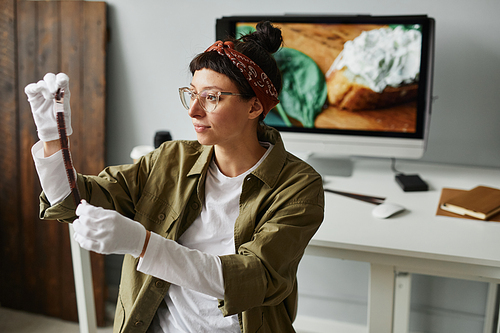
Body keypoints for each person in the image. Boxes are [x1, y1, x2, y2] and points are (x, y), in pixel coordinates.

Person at [26, 21, 324, 333]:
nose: (193, 110)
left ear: (255, 106)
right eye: (192, 94)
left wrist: (142, 243)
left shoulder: (299, 187)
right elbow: (73, 201)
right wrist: (52, 140)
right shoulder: (171, 159)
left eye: (211, 97)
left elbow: (253, 277)